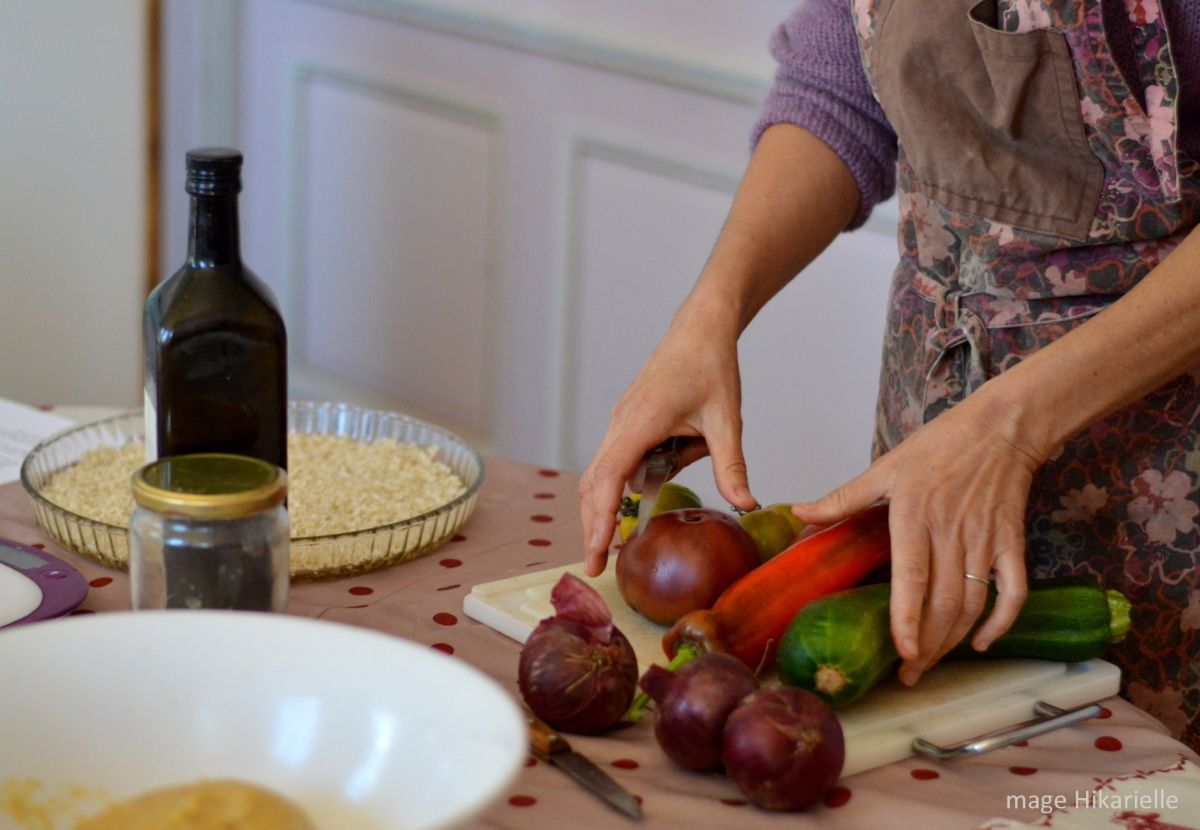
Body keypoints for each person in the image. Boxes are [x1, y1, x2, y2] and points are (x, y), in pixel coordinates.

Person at [578, 0, 1200, 751]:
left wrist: (1007, 429)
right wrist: (710, 310)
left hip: (1163, 467)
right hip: (928, 411)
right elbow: (840, 88)